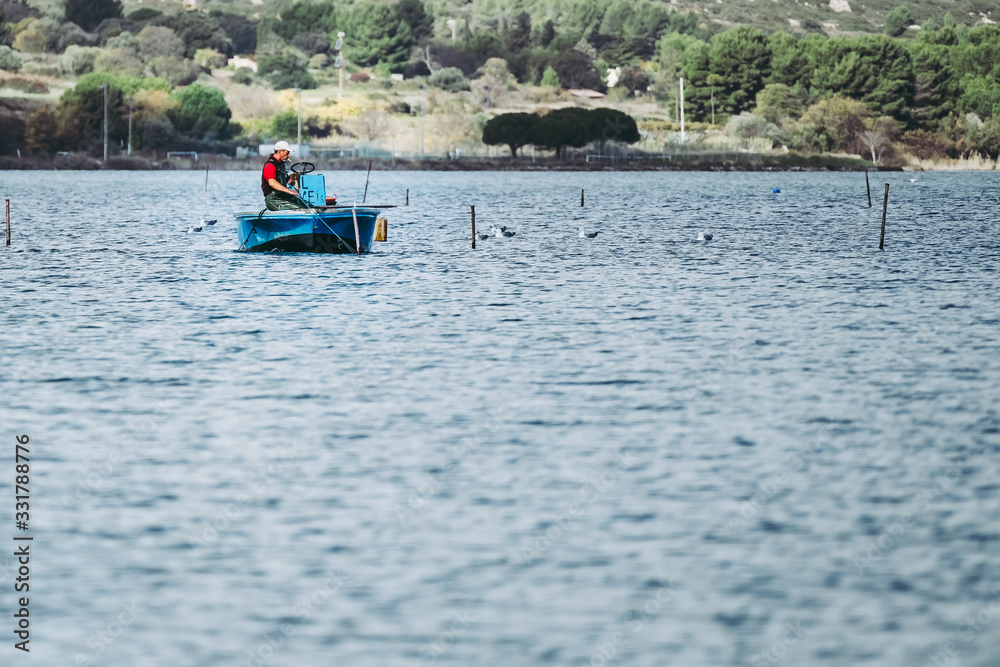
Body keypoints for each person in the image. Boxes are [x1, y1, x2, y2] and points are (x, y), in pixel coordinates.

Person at [261, 141, 308, 210]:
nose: (288, 155)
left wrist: (290, 180)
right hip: (273, 199)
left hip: (283, 196)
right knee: (299, 209)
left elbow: (285, 178)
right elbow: (272, 183)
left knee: (307, 205)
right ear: (280, 152)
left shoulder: (281, 164)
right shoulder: (270, 166)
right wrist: (289, 191)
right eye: (287, 153)